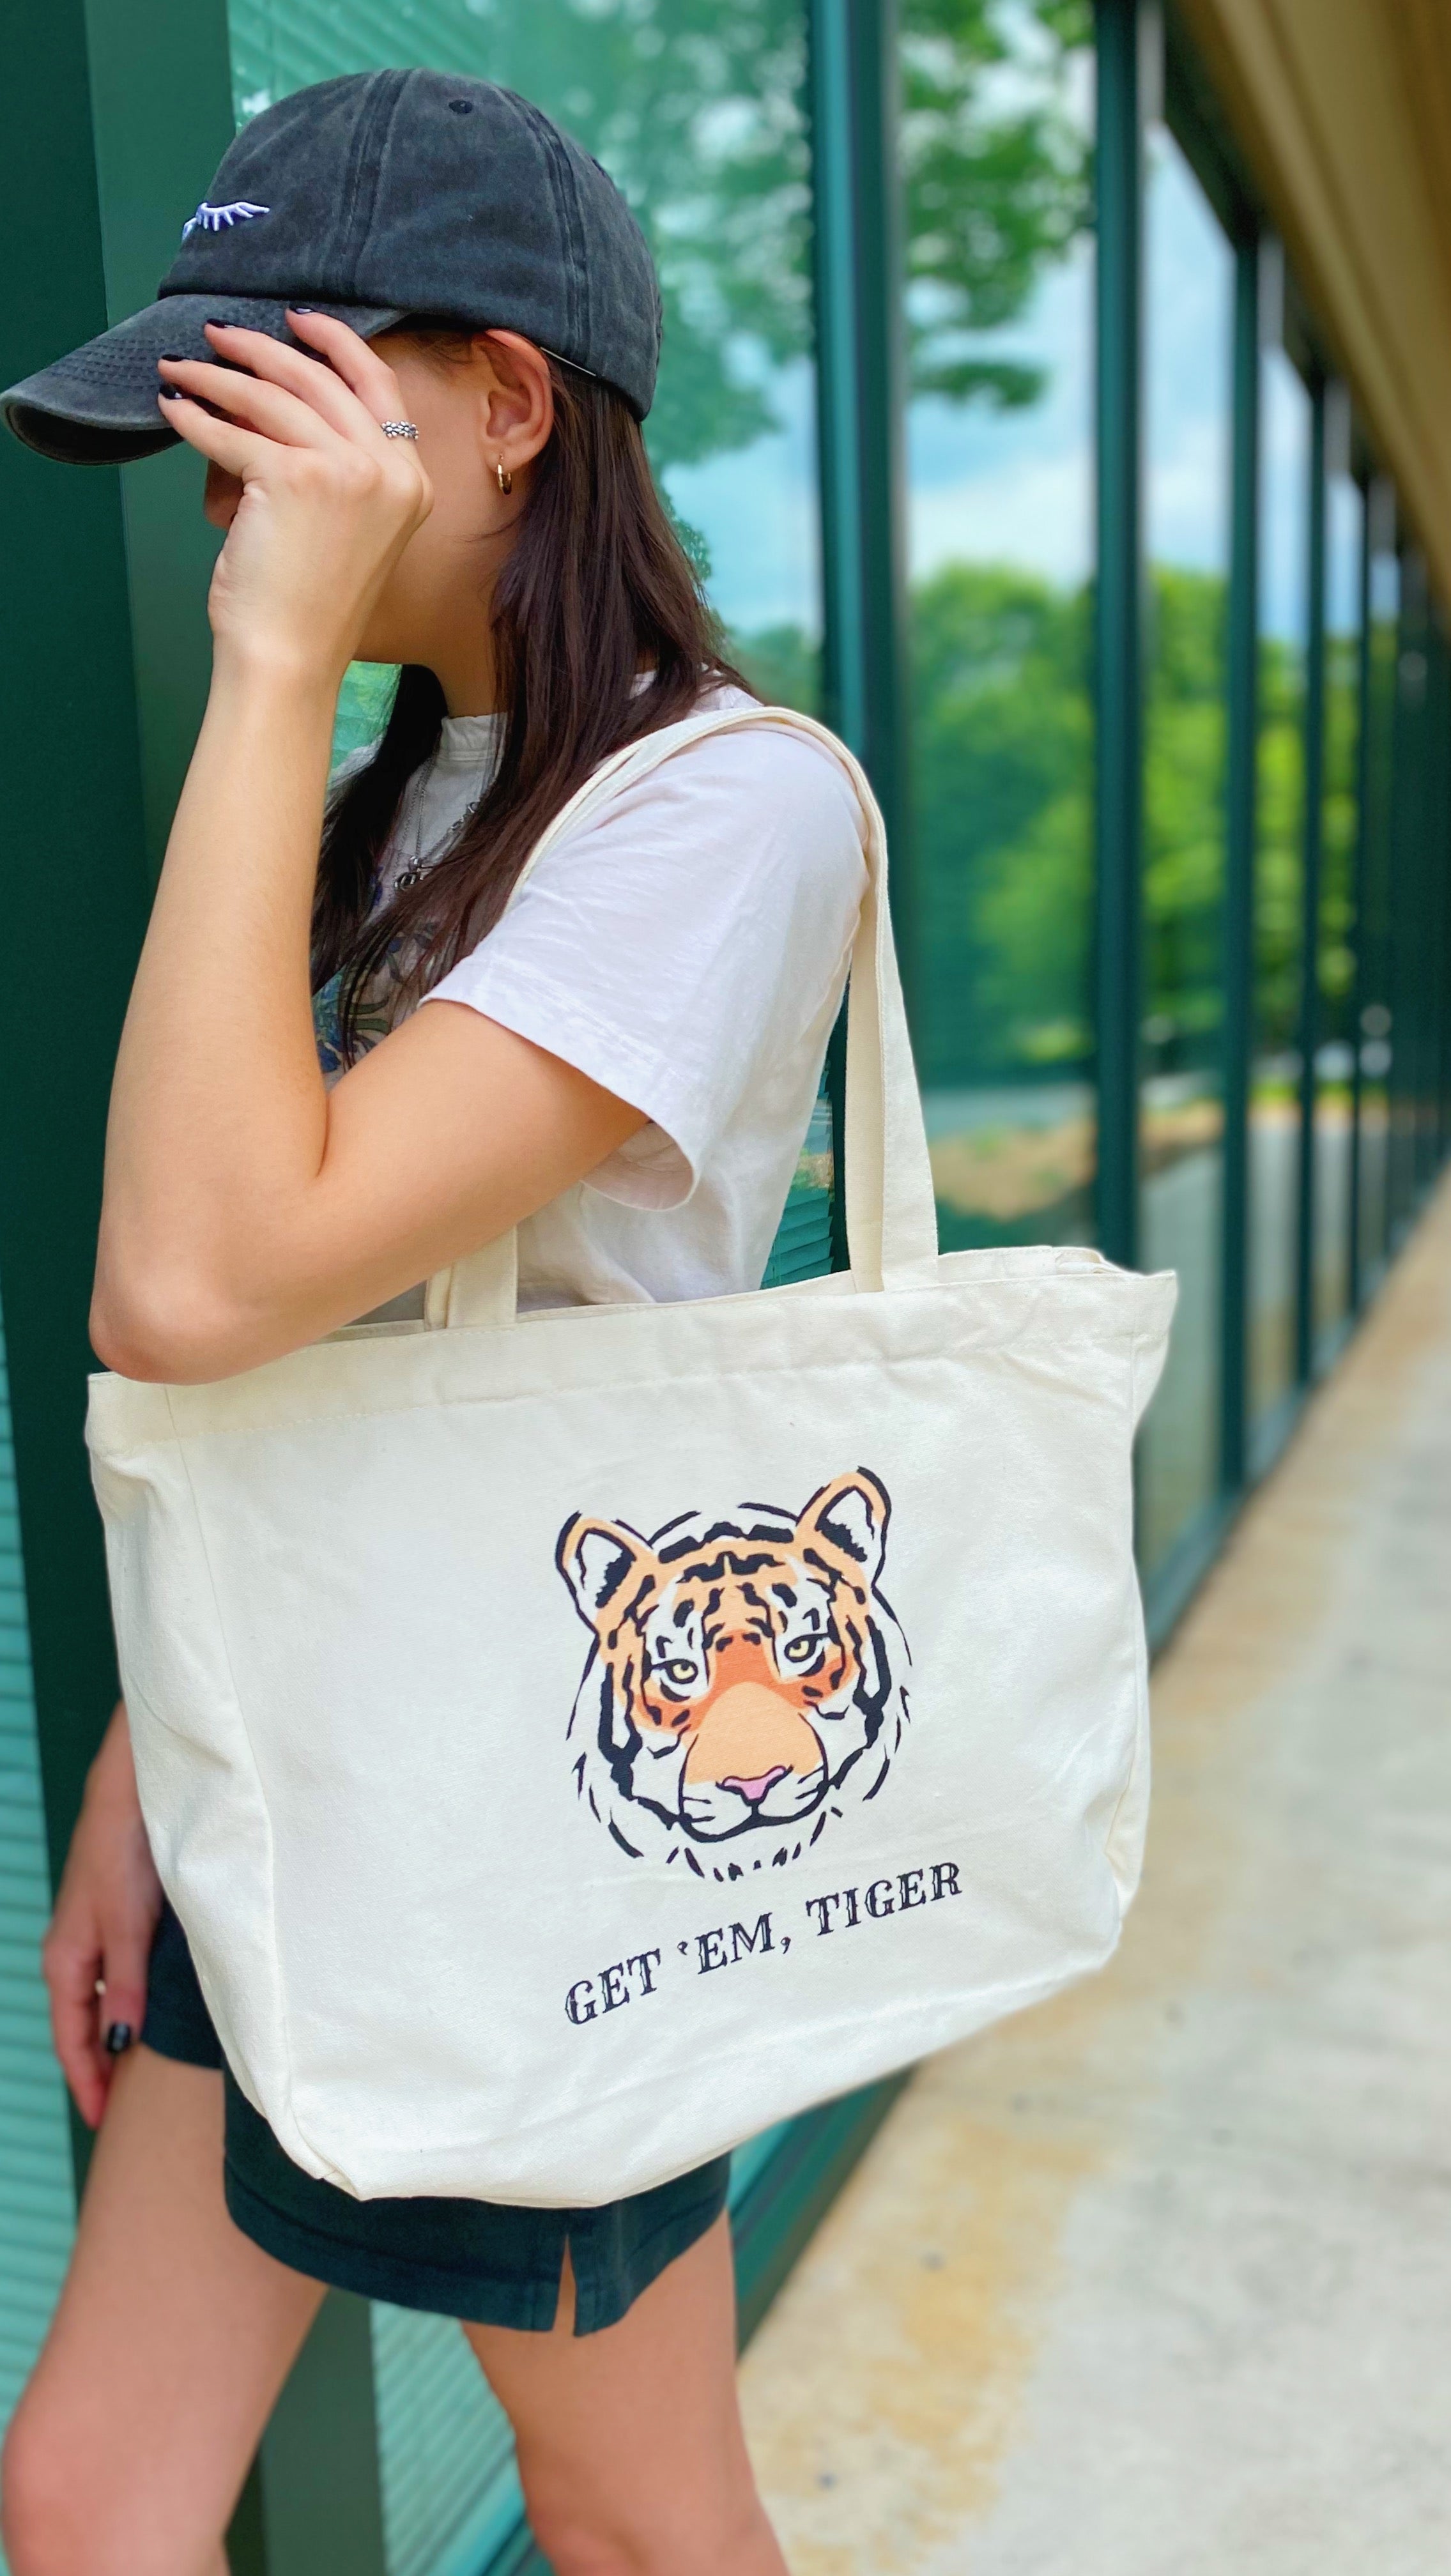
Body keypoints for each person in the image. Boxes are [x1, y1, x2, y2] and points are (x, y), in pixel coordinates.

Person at [0, 67, 864, 2576]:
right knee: (87, 2499)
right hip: (297, 1767)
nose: (217, 482)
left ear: (505, 405)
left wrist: (270, 665)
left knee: (635, 2516)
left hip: (549, 1806)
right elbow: (306, 1356)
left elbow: (189, 1285)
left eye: (276, 396)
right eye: (200, 416)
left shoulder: (721, 809)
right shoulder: (395, 797)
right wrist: (147, 1760)